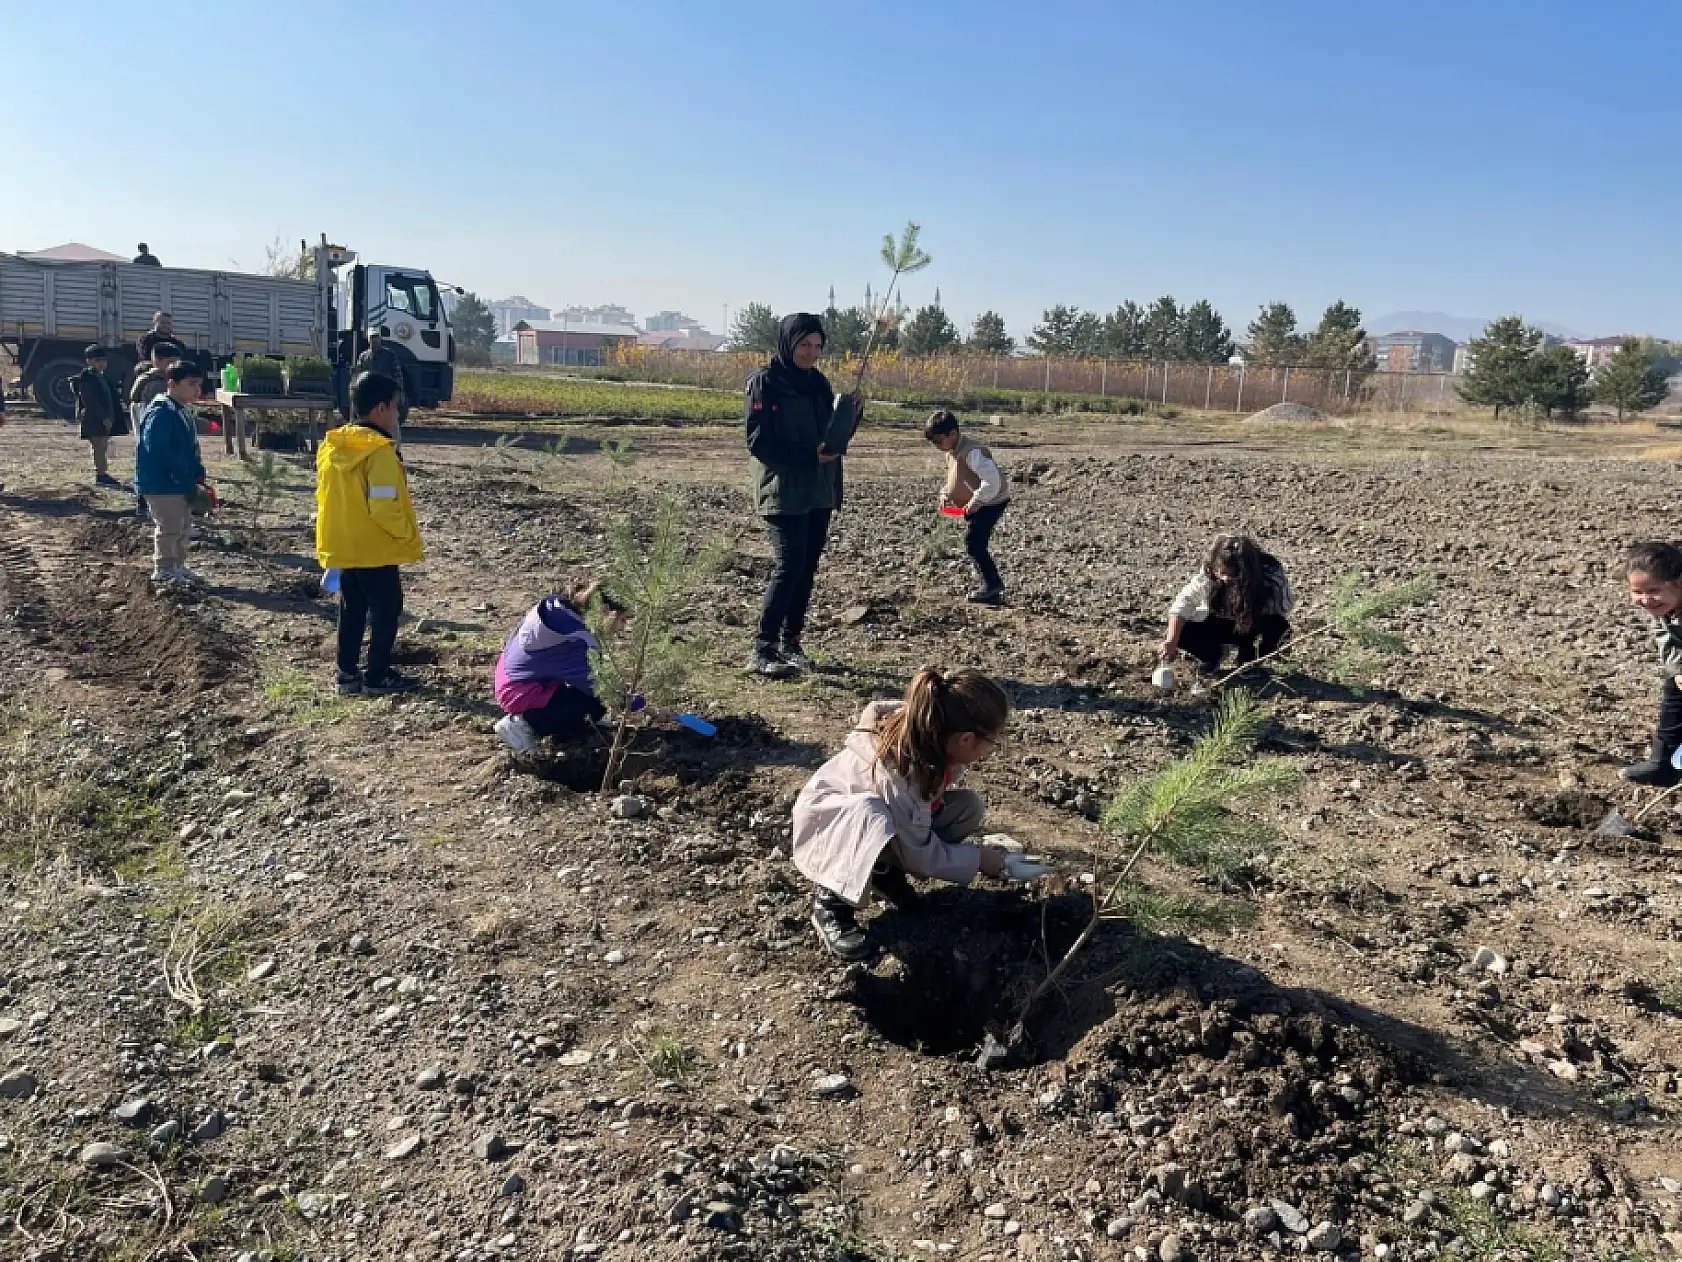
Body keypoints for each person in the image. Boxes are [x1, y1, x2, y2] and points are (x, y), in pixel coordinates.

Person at [792, 667, 1020, 960]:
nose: (993, 748)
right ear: (965, 740)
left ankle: (884, 872)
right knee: (868, 814)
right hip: (829, 827)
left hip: (884, 819)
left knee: (966, 808)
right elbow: (922, 855)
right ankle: (831, 906)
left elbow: (919, 820)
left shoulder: (931, 727)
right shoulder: (899, 777)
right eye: (993, 741)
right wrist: (978, 858)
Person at [745, 312, 859, 678]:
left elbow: (830, 435)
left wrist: (850, 418)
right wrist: (807, 456)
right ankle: (763, 649)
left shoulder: (819, 384)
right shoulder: (765, 383)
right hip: (783, 490)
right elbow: (758, 441)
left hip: (818, 489)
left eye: (817, 346)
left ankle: (792, 642)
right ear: (788, 343)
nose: (811, 353)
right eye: (804, 345)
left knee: (806, 568)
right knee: (789, 565)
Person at [316, 371, 423, 695]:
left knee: (351, 610)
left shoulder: (333, 445)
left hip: (344, 546)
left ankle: (346, 674)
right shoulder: (378, 452)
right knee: (387, 610)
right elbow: (382, 506)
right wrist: (406, 534)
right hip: (376, 548)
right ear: (379, 409)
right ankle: (377, 674)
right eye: (395, 406)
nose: (397, 413)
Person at [492, 583, 627, 753]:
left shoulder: (558, 611)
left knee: (592, 706)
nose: (622, 627)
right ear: (606, 611)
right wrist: (637, 704)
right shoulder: (574, 639)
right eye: (622, 619)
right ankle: (521, 724)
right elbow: (597, 684)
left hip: (515, 677)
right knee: (590, 705)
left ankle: (570, 725)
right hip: (520, 691)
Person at [1159, 534, 1295, 676]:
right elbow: (1184, 602)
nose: (1225, 579)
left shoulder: (1271, 575)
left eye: (1232, 576)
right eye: (1222, 573)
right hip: (1219, 621)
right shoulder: (1210, 573)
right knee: (1181, 630)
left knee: (1279, 630)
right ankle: (1212, 655)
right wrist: (1171, 641)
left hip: (1253, 624)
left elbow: (1282, 608)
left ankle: (1250, 663)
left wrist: (1249, 609)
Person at [925, 409, 1012, 604]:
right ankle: (991, 585)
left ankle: (992, 585)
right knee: (974, 542)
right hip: (979, 504)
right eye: (933, 443)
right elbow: (955, 479)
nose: (937, 446)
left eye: (939, 441)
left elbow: (992, 480)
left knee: (974, 543)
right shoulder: (952, 453)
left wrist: (976, 501)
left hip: (992, 502)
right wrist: (946, 494)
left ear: (953, 434)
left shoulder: (972, 452)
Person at [134, 361, 208, 585]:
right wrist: (180, 470)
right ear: (172, 384)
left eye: (199, 385)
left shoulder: (180, 410)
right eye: (192, 384)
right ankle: (164, 569)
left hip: (179, 481)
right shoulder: (161, 412)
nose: (197, 390)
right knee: (169, 527)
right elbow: (157, 447)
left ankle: (178, 565)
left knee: (183, 525)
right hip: (162, 482)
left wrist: (196, 470)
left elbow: (188, 447)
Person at [1621, 541, 1682, 786]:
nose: (1645, 600)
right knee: (1675, 688)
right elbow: (1669, 641)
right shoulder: (1667, 608)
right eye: (1637, 592)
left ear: (1679, 582)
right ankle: (1663, 764)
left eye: (1653, 590)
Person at [73, 346, 129, 488]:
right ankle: (101, 474)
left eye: (104, 360)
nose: (102, 363)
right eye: (97, 360)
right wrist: (103, 417)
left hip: (104, 417)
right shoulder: (87, 378)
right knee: (99, 446)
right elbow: (90, 401)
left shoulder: (101, 377)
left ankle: (102, 473)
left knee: (102, 446)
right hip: (94, 418)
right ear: (89, 361)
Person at [355, 332, 407, 430]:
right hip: (370, 395)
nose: (374, 340)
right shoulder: (363, 356)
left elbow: (397, 374)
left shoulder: (389, 355)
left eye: (376, 337)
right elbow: (358, 375)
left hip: (386, 393)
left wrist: (399, 392)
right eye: (372, 338)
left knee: (392, 424)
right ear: (368, 340)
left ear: (380, 339)